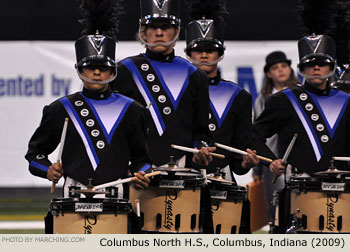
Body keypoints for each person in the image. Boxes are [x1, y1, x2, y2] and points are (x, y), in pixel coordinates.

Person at [25, 0, 151, 197]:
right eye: (91, 67)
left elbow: (141, 158)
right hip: (73, 195)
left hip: (117, 197)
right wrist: (48, 170)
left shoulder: (132, 110)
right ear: (80, 70)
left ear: (113, 71)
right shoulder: (60, 108)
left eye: (103, 67)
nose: (97, 73)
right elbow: (35, 155)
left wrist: (142, 173)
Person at [253, 34, 350, 232]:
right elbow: (254, 135)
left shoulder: (347, 100)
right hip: (299, 191)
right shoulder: (283, 100)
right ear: (301, 68)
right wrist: (270, 161)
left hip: (344, 190)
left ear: (331, 67)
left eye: (322, 63)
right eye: (310, 63)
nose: (316, 68)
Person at [110, 0, 213, 168]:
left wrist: (200, 148)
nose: (159, 33)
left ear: (176, 31)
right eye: (152, 27)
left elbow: (201, 131)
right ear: (143, 32)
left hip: (182, 168)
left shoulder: (194, 75)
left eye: (165, 27)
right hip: (134, 169)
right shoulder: (123, 71)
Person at [184, 1, 259, 182]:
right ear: (189, 53)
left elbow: (237, 162)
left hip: (222, 182)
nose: (204, 55)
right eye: (198, 50)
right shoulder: (177, 93)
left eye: (210, 50)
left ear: (220, 53)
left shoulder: (240, 96)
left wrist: (245, 163)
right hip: (183, 181)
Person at [252, 51, 299, 222]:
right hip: (272, 162)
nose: (280, 70)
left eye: (284, 66)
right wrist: (258, 168)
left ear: (290, 69)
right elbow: (256, 134)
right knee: (276, 211)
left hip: (298, 161)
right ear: (268, 73)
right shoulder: (261, 100)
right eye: (275, 67)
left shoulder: (300, 96)